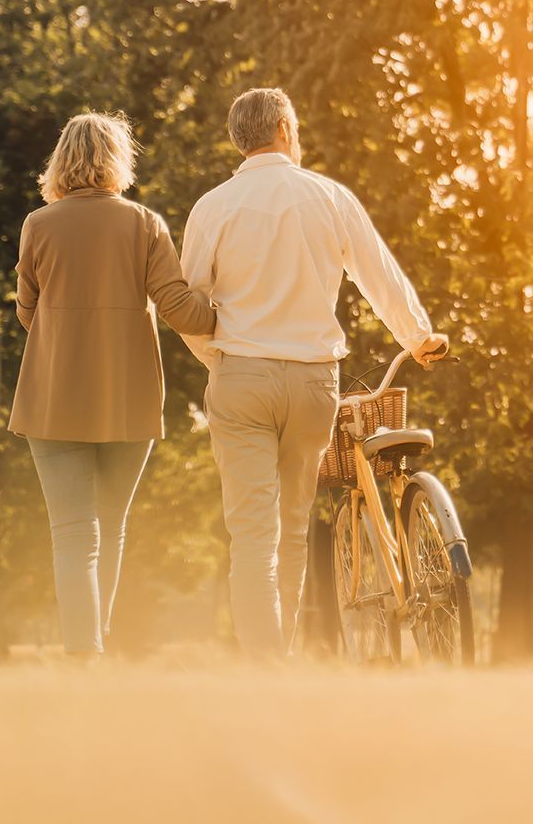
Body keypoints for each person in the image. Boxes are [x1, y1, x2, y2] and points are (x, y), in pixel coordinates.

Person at [181, 88, 446, 657]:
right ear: (283, 129)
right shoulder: (328, 196)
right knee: (293, 528)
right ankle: (285, 652)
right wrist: (417, 338)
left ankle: (265, 664)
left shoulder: (212, 207)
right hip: (312, 383)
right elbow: (379, 273)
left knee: (252, 534)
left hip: (240, 379)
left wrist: (220, 359)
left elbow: (190, 307)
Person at [9, 112, 215, 657]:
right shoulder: (145, 223)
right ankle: (94, 645)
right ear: (117, 161)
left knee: (73, 534)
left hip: (52, 398)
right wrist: (238, 314)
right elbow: (180, 309)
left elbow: (27, 314)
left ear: (61, 160)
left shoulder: (38, 224)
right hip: (127, 398)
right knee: (111, 528)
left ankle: (85, 654)